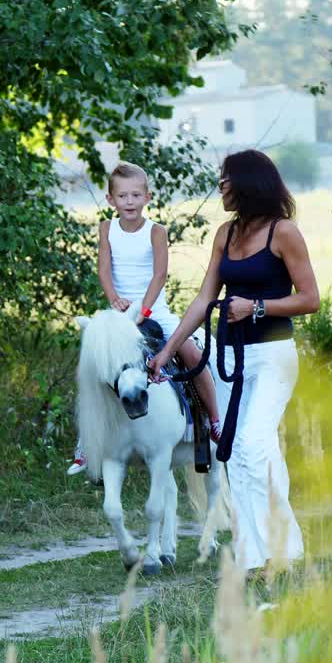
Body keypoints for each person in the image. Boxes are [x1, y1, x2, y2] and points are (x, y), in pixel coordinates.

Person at [146, 150, 320, 575]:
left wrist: (257, 307)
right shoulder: (225, 234)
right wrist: (166, 353)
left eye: (226, 180)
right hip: (229, 357)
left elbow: (310, 298)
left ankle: (273, 552)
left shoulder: (284, 233)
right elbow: (205, 299)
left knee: (251, 445)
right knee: (235, 452)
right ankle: (263, 553)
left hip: (273, 356)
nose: (220, 187)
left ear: (248, 183)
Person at [68, 162, 222, 476]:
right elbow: (104, 269)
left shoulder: (155, 231)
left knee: (191, 354)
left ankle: (212, 419)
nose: (129, 201)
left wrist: (146, 310)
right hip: (120, 310)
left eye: (136, 195)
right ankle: (87, 440)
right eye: (122, 196)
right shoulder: (106, 228)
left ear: (147, 197)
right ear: (111, 200)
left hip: (153, 308)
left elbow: (160, 274)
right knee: (94, 362)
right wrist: (113, 298)